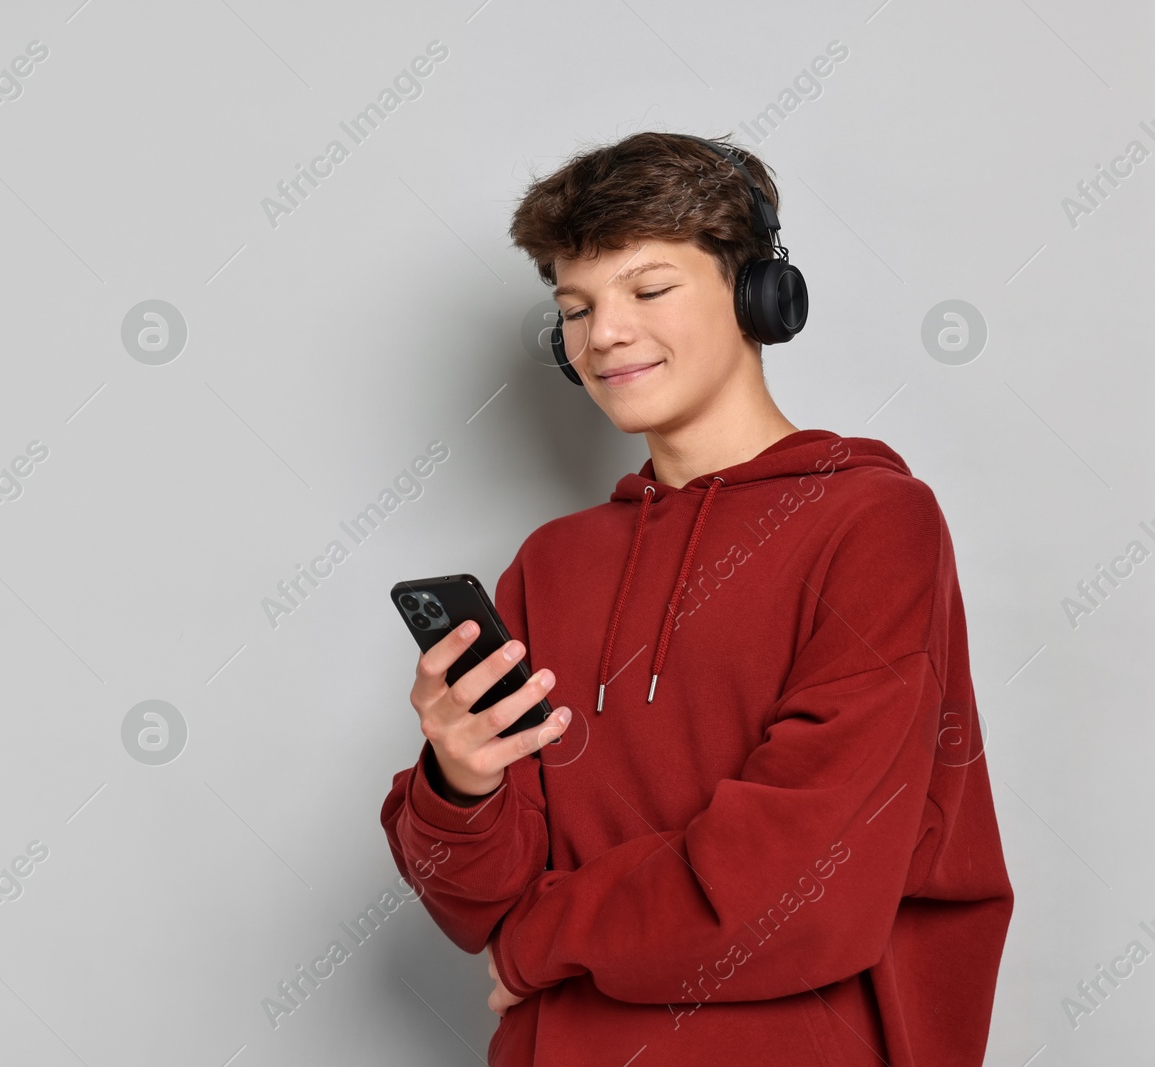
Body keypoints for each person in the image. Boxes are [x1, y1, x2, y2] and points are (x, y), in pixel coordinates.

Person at [378, 131, 1013, 1065]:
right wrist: (459, 783)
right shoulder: (550, 564)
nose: (605, 334)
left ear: (760, 295)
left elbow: (795, 886)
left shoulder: (876, 524)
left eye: (648, 289)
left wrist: (541, 941)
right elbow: (473, 903)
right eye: (577, 306)